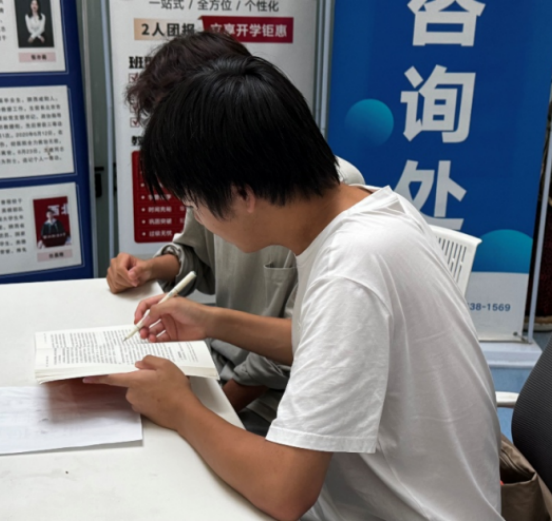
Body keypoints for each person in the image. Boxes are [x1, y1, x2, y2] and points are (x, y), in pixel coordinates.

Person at [86, 55, 502, 521]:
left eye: (193, 203)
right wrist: (209, 319)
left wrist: (181, 407)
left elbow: (284, 491)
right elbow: (324, 343)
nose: (196, 217)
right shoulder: (370, 211)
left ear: (242, 194)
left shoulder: (350, 269)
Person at [106, 32, 364, 432]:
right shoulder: (223, 183)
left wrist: (200, 411)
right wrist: (152, 270)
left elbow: (303, 349)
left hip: (278, 396)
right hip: (225, 366)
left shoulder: (328, 215)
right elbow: (199, 258)